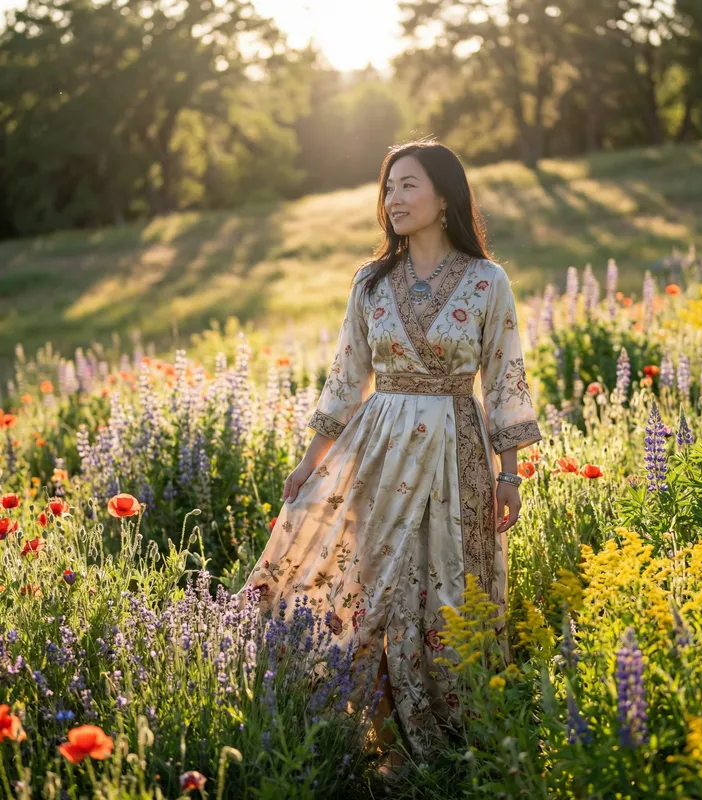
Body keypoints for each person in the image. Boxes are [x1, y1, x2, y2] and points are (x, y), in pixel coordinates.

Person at [236, 136, 542, 774]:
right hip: (380, 450)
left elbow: (505, 376)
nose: (393, 198)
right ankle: (377, 730)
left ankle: (456, 726)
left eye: (408, 185)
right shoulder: (370, 283)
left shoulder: (488, 282)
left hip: (458, 447)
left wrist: (510, 473)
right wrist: (309, 460)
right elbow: (346, 380)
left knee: (449, 583)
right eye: (388, 186)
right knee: (378, 581)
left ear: (444, 197)